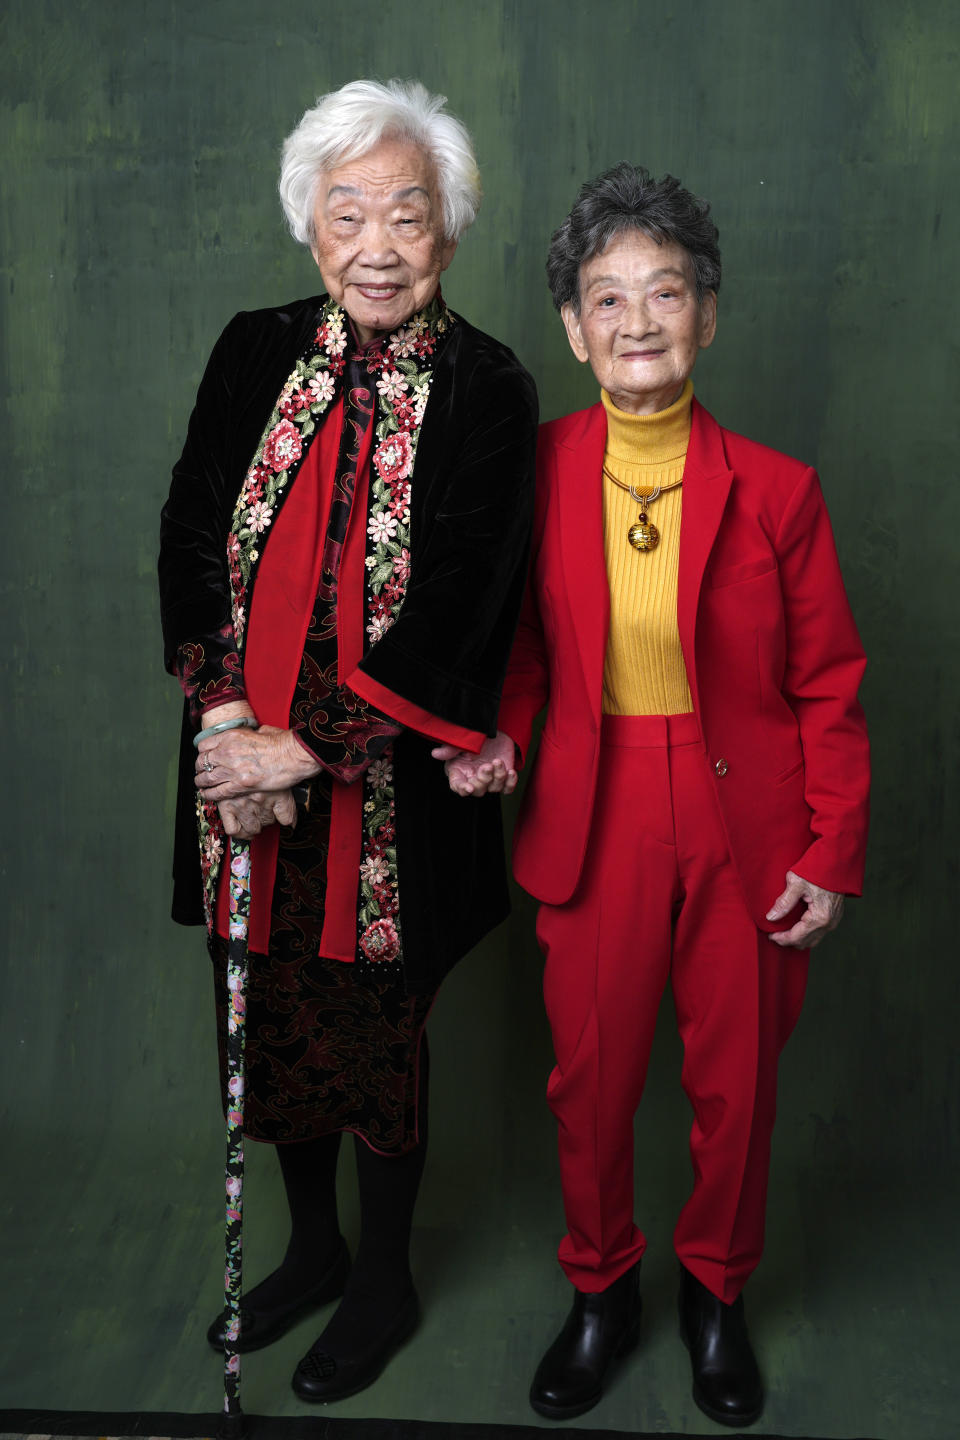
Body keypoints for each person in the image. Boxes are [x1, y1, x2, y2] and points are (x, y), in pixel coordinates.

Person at [439, 163, 869, 1428]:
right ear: (573, 329)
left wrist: (831, 849)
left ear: (707, 314)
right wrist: (505, 738)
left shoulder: (779, 491)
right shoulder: (534, 468)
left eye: (665, 293)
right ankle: (602, 1289)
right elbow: (516, 648)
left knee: (738, 1082)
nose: (638, 321)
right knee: (593, 1076)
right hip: (594, 796)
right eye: (607, 298)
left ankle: (718, 1295)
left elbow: (832, 683)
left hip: (751, 814)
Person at [158, 78, 536, 1404]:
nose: (378, 242)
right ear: (309, 224)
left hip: (381, 792)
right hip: (234, 772)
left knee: (378, 1030)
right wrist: (220, 720)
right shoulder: (250, 348)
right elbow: (194, 531)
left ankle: (384, 1275)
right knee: (263, 1017)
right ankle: (312, 1248)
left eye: (408, 215)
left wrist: (300, 750)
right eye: (348, 211)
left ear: (449, 233)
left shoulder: (490, 386)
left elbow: (465, 599)